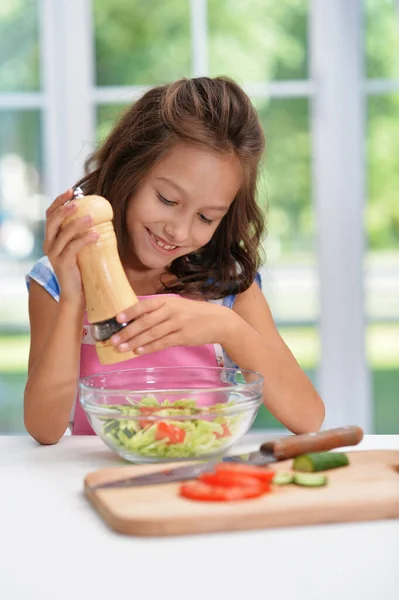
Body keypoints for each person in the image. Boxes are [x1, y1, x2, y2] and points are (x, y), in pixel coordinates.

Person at [24, 76, 325, 445]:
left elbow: (308, 417)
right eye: (167, 199)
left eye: (207, 217)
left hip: (199, 480)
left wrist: (225, 326)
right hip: (97, 477)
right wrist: (73, 298)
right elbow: (44, 428)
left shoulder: (225, 285)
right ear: (128, 171)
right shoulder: (57, 281)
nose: (179, 232)